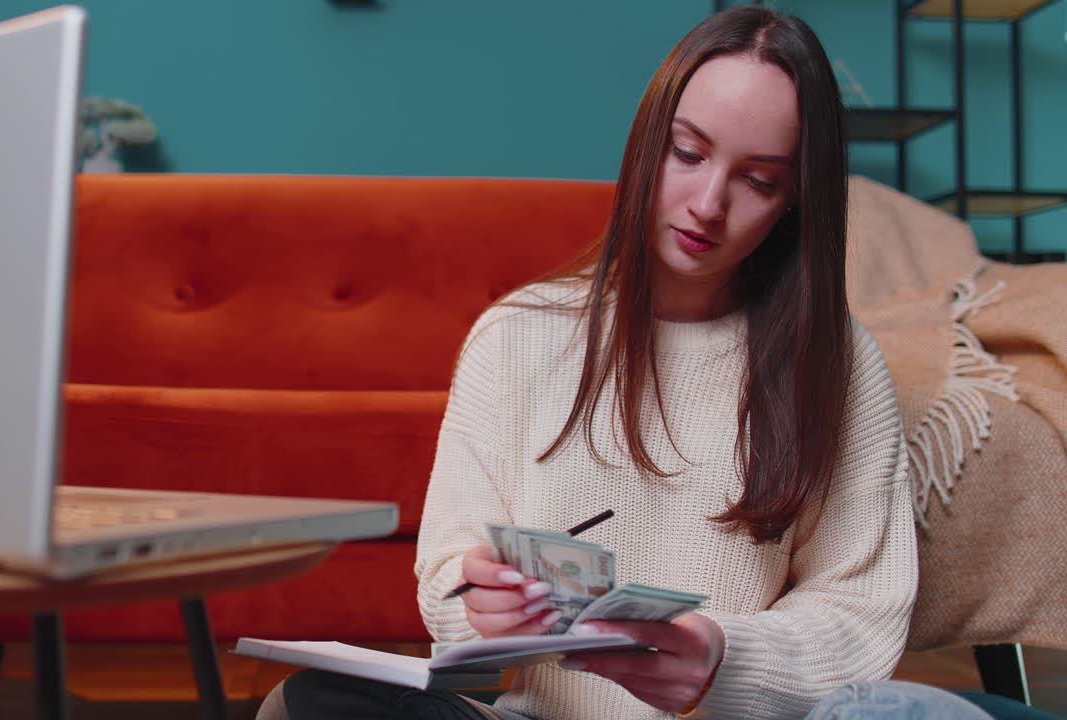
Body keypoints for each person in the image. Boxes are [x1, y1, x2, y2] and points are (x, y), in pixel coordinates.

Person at [258, 6, 995, 719]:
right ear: (648, 144)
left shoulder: (839, 364)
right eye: (688, 152)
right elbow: (452, 569)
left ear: (795, 203)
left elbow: (859, 615)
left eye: (760, 180)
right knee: (311, 703)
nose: (708, 203)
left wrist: (721, 656)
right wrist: (479, 602)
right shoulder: (515, 336)